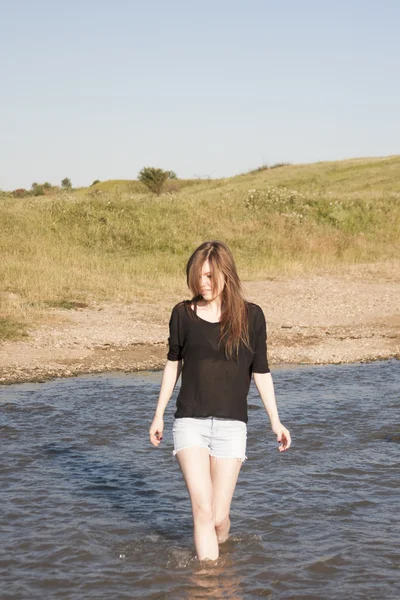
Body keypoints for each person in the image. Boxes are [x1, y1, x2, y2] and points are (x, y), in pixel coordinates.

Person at [149, 240, 291, 562]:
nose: (203, 283)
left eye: (210, 276)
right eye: (198, 276)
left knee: (216, 518)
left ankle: (221, 551)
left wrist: (275, 420)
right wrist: (158, 414)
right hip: (190, 423)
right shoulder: (182, 315)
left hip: (231, 425)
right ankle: (208, 584)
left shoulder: (251, 317)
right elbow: (173, 364)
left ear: (226, 275)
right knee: (202, 510)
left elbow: (261, 371)